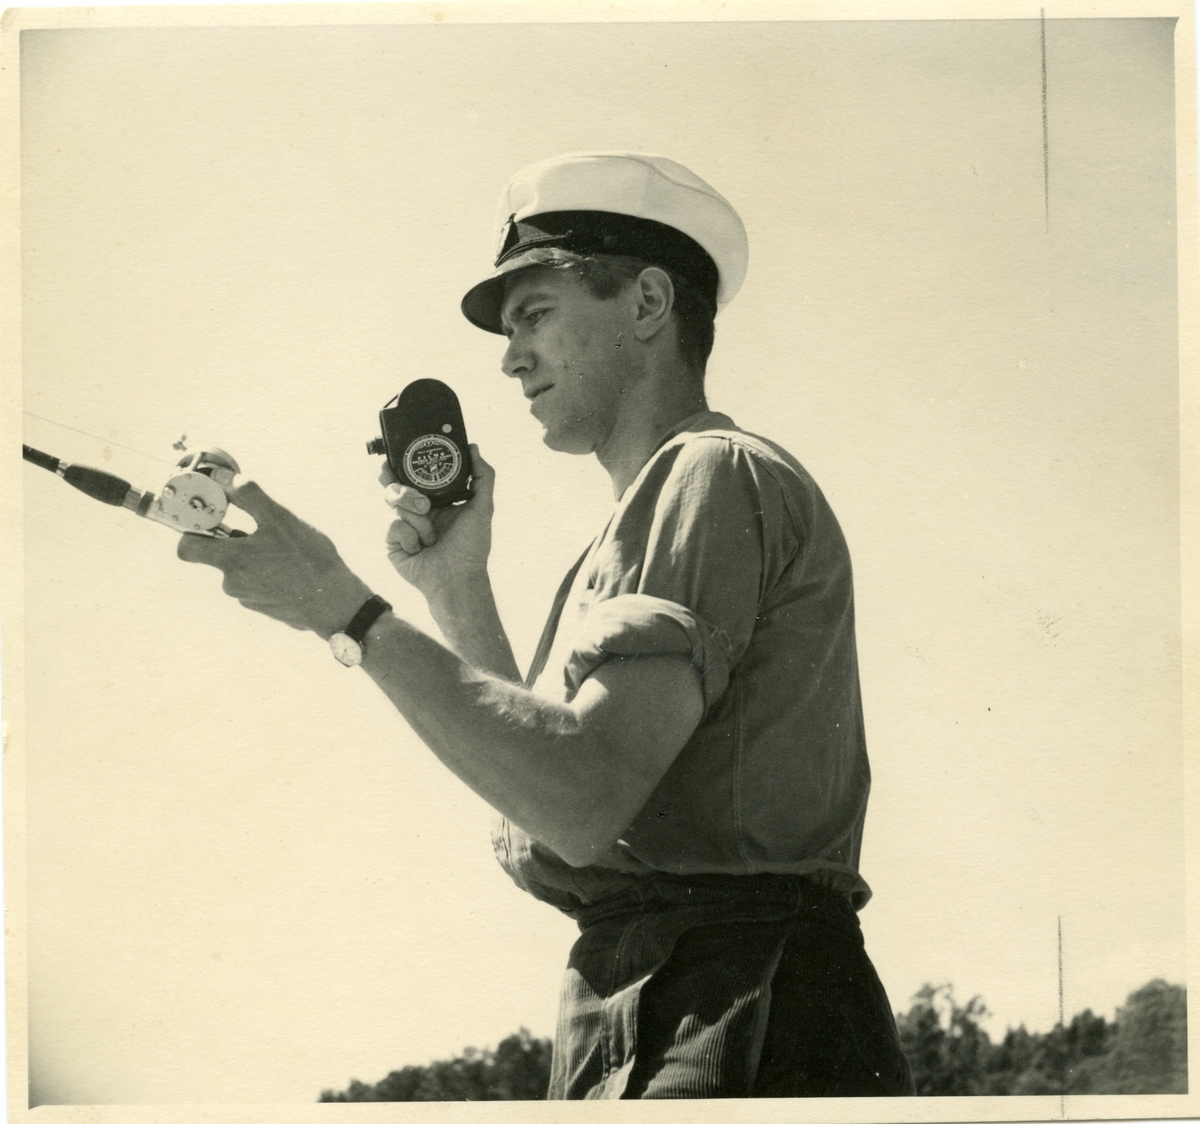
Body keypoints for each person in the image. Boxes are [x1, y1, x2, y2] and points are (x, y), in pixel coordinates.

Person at [178, 151, 914, 1099]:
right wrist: (457, 588)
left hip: (739, 1007)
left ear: (648, 304)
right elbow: (552, 808)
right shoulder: (650, 511)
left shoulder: (712, 473)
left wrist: (342, 607)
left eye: (536, 315)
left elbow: (580, 793)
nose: (510, 356)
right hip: (660, 1006)